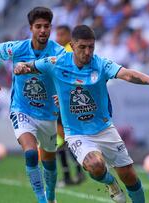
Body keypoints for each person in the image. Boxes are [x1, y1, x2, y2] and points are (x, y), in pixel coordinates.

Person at [14, 24, 149, 203]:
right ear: (72, 46)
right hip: (77, 133)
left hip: (104, 129)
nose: (87, 52)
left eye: (91, 47)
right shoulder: (56, 63)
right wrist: (21, 65)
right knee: (95, 165)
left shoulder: (101, 64)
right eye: (82, 47)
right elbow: (30, 66)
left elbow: (127, 74)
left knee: (129, 175)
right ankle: (110, 182)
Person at [0, 7, 65, 203]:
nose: (42, 30)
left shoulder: (59, 52)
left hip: (48, 114)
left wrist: (62, 95)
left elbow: (68, 76)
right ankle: (41, 200)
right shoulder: (17, 48)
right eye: (38, 26)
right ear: (31, 28)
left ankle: (51, 196)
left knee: (49, 161)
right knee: (31, 153)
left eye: (46, 26)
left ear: (50, 28)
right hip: (22, 110)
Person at [55, 24, 85, 186]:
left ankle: (71, 174)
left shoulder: (67, 51)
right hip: (66, 99)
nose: (58, 38)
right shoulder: (64, 51)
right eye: (57, 35)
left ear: (68, 35)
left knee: (63, 139)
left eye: (61, 34)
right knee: (63, 139)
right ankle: (75, 174)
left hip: (64, 101)